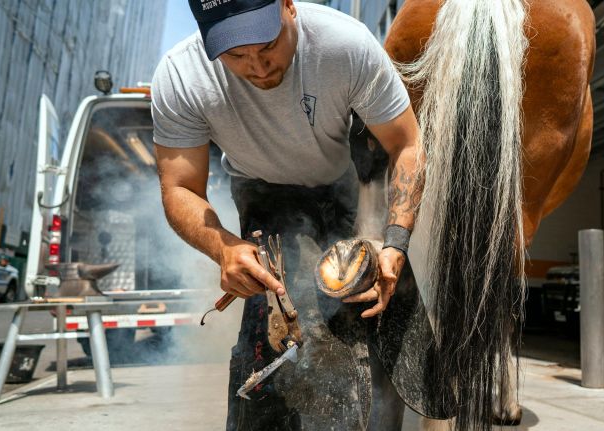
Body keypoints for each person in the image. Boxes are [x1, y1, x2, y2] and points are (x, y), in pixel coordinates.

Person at [151, 0, 423, 428]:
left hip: (341, 183)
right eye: (235, 56)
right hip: (262, 191)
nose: (257, 67)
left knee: (368, 310)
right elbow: (179, 187)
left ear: (288, 7)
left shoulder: (345, 45)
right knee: (287, 334)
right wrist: (223, 250)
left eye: (268, 46)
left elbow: (406, 145)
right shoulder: (182, 76)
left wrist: (395, 244)